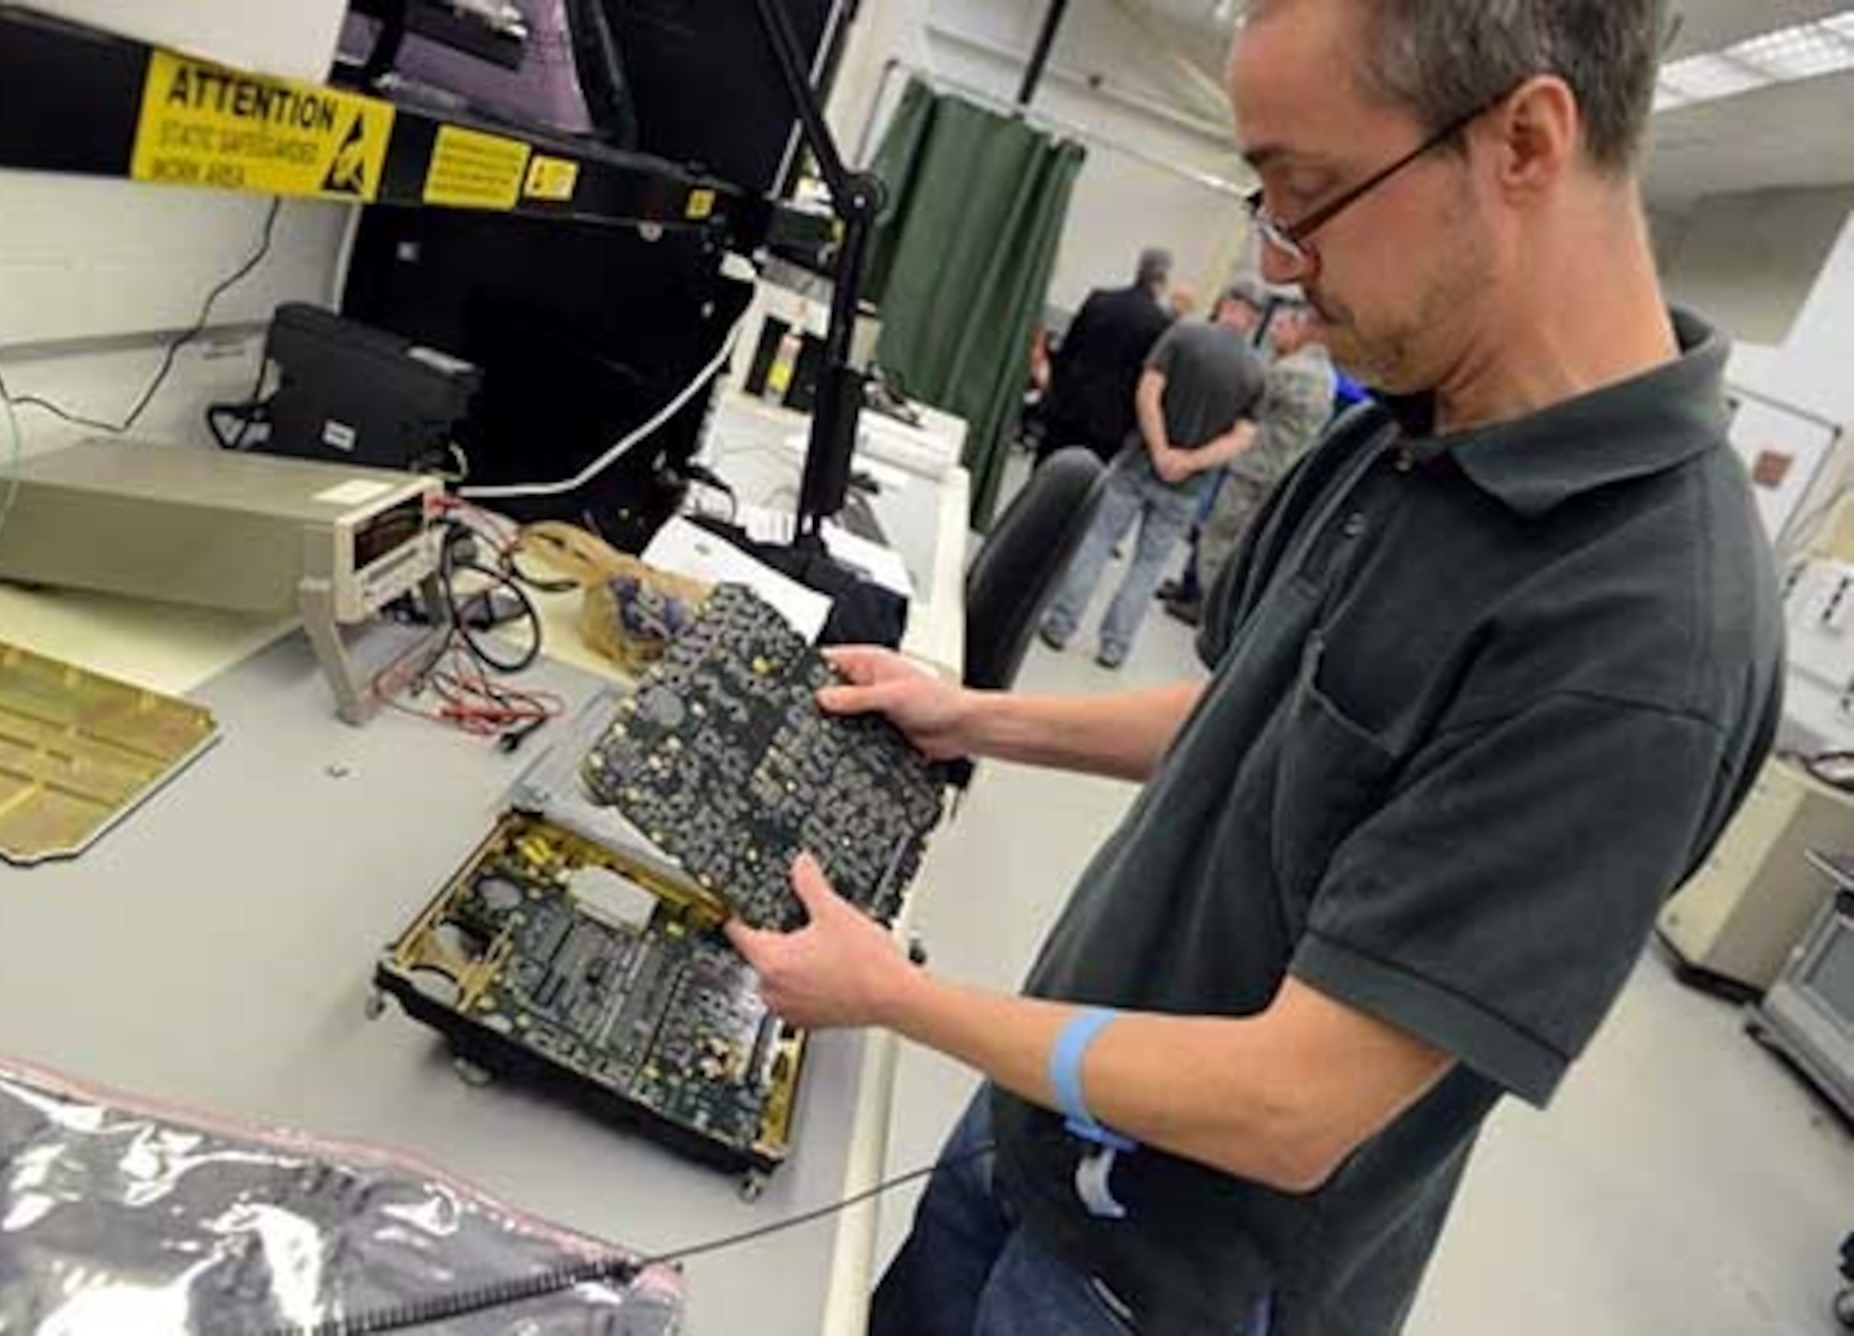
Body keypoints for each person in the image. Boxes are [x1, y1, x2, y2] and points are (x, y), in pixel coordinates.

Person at [725, 3, 1785, 1335]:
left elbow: (1295, 1106)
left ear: (1523, 140)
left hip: (1167, 1289)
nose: (1282, 266)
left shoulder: (1644, 632)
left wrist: (900, 998)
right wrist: (974, 716)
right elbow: (1254, 718)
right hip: (1036, 1136)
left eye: (1310, 194)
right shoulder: (1404, 427)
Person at [1037, 282, 1265, 668]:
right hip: (1188, 487)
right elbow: (1242, 437)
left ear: (1226, 302)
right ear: (1255, 318)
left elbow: (1148, 392)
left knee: (1097, 539)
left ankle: (1060, 625)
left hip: (1139, 463)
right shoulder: (1256, 371)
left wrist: (1160, 449)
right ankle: (1114, 647)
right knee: (1147, 566)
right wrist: (1188, 461)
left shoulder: (1183, 335)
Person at [1167, 301, 1338, 625]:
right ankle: (1193, 591)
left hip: (1252, 468)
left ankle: (1205, 605)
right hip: (1279, 471)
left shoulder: (1290, 371)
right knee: (1235, 537)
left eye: (1283, 326)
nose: (1275, 331)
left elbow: (1249, 405)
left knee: (1222, 534)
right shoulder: (1326, 377)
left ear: (1304, 330)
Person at [1036, 249, 1177, 466]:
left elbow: (1068, 351)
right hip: (1109, 428)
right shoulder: (1160, 325)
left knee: (1045, 475)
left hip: (1068, 409)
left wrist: (1054, 395)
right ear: (1163, 280)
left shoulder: (1099, 300)